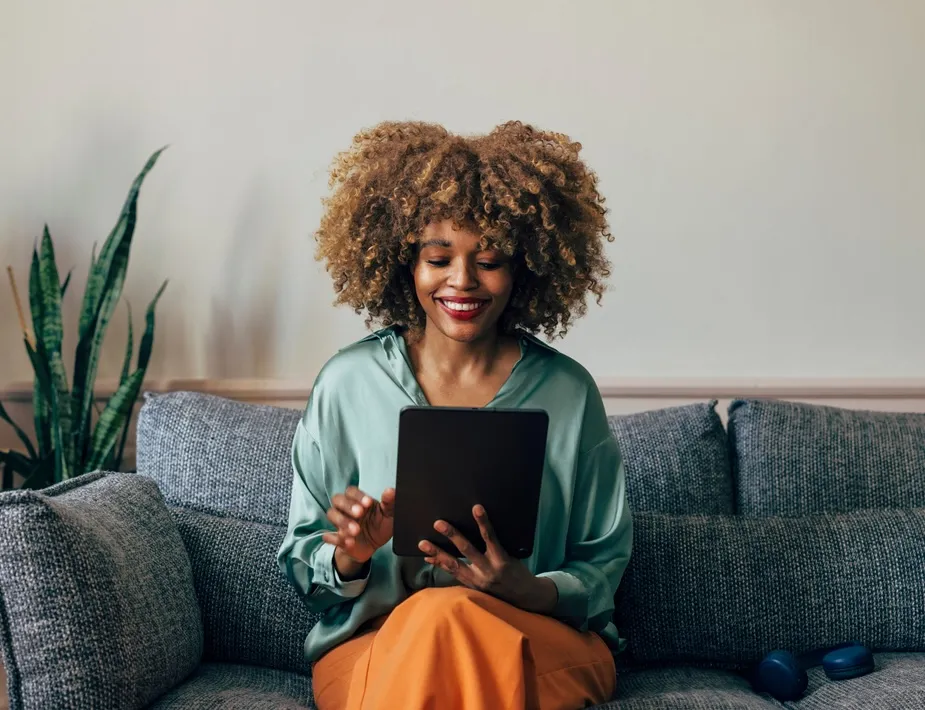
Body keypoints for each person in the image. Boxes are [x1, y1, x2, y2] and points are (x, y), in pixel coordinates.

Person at [277, 121, 633, 710]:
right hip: (376, 645)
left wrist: (530, 589)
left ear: (524, 269)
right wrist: (351, 554)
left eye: (489, 260)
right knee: (438, 624)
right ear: (403, 264)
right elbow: (304, 565)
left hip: (534, 637)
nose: (462, 281)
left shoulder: (568, 393)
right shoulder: (348, 383)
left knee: (451, 622)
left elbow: (602, 565)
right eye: (438, 258)